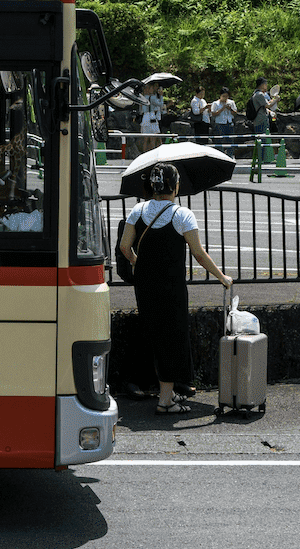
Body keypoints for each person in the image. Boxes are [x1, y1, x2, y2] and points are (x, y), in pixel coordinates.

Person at [119, 162, 232, 415]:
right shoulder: (182, 215)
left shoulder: (137, 211)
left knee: (152, 333)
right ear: (176, 186)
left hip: (145, 285)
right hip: (171, 286)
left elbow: (125, 248)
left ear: (152, 186)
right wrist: (222, 277)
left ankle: (158, 390)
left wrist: (140, 263)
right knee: (172, 336)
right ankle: (165, 400)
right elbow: (199, 254)